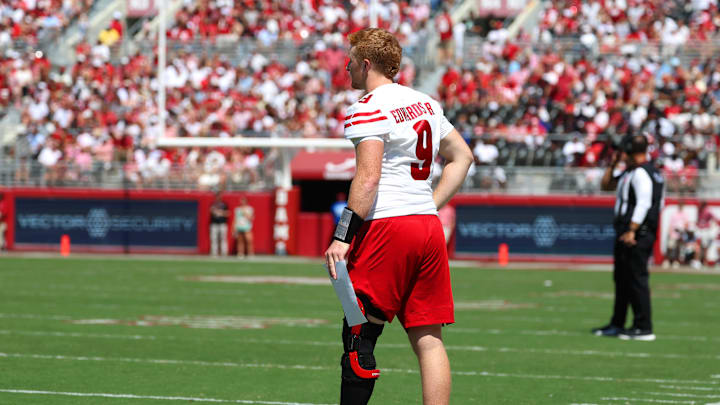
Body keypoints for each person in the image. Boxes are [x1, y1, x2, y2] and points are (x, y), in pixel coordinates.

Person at [324, 28, 473, 405]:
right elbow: (463, 157)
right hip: (425, 224)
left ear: (367, 64)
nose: (347, 67)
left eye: (352, 61)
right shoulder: (425, 102)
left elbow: (369, 176)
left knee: (359, 334)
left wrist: (343, 234)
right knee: (428, 339)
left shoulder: (368, 106)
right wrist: (430, 204)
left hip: (388, 225)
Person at [595, 135, 664, 341]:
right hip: (627, 232)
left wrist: (633, 229)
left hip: (636, 234)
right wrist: (614, 163)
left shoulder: (641, 173)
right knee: (623, 280)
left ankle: (643, 326)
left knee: (636, 280)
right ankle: (618, 323)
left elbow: (644, 202)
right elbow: (606, 185)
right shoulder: (631, 171)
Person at [209, 191, 229, 256]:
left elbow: (228, 213)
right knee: (214, 239)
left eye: (219, 196)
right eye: (217, 196)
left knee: (223, 238)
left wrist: (221, 212)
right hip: (214, 223)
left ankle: (224, 253)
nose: (218, 197)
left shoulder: (224, 204)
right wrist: (214, 211)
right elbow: (211, 211)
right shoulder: (213, 204)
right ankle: (214, 253)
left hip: (222, 223)